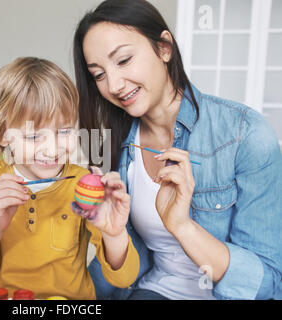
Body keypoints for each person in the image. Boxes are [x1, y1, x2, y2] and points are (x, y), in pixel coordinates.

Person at [73, 0, 282, 300]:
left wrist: (181, 226)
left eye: (123, 60)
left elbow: (266, 286)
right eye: (99, 74)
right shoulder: (119, 148)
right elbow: (118, 276)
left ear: (164, 48)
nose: (114, 84)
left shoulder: (245, 135)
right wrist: (111, 234)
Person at [0, 57, 140, 300]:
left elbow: (124, 278)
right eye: (33, 137)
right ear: (3, 135)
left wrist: (114, 234)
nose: (52, 150)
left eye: (64, 132)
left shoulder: (81, 182)